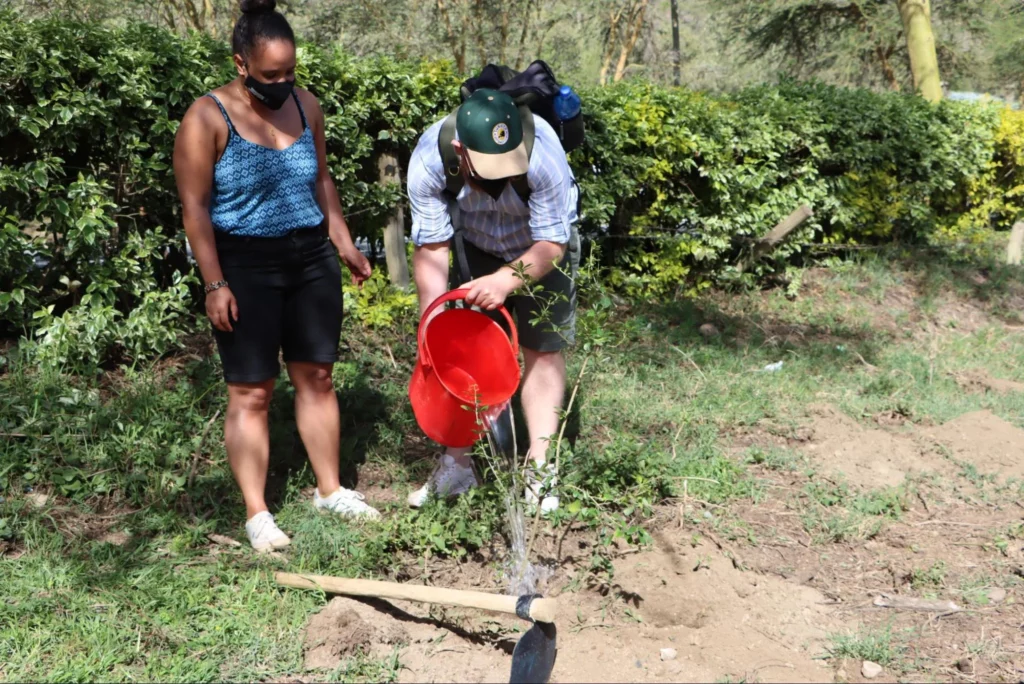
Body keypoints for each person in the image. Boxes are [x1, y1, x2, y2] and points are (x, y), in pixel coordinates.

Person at [172, 0, 379, 552]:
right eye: (270, 74)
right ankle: (257, 512)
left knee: (317, 377)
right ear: (241, 63)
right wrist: (214, 283)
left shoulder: (306, 104)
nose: (283, 82)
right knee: (251, 390)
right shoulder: (206, 117)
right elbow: (194, 209)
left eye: (290, 71)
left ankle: (329, 489)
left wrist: (344, 243)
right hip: (243, 263)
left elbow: (322, 182)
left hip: (310, 258)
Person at [407, 88, 580, 513]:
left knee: (543, 347)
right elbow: (432, 248)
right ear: (461, 152)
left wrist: (506, 280)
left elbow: (551, 245)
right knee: (465, 352)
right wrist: (435, 321)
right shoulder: (431, 161)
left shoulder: (545, 157)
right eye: (487, 172)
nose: (499, 181)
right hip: (479, 243)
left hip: (539, 250)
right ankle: (459, 464)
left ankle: (539, 471)